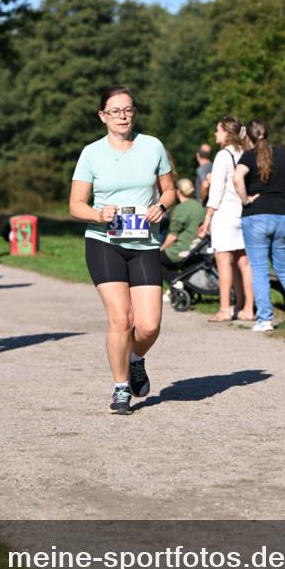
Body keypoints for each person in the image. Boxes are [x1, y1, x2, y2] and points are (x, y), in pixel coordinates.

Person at [69, 86, 176, 416]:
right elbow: (75, 205)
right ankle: (119, 389)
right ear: (103, 116)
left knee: (149, 326)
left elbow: (170, 190)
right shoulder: (91, 153)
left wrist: (161, 205)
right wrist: (99, 214)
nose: (123, 116)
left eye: (128, 109)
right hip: (104, 241)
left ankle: (135, 359)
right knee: (121, 318)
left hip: (144, 242)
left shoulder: (153, 146)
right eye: (115, 111)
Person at [234, 120, 285, 332]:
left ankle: (265, 320)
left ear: (248, 137)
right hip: (282, 216)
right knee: (284, 267)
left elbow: (237, 177)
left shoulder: (248, 156)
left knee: (259, 269)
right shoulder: (283, 154)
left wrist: (245, 199)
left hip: (256, 216)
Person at [198, 116, 255, 322]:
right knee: (244, 262)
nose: (215, 134)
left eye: (218, 130)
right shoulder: (245, 153)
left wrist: (207, 218)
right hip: (244, 212)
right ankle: (246, 307)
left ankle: (225, 308)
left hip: (225, 214)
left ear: (226, 133)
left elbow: (217, 191)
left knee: (224, 263)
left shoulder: (223, 155)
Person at [159, 177, 205, 283]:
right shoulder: (199, 205)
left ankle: (177, 283)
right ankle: (182, 284)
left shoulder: (180, 209)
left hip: (182, 248)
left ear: (178, 191)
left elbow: (172, 237)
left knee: (157, 259)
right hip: (197, 248)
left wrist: (162, 248)